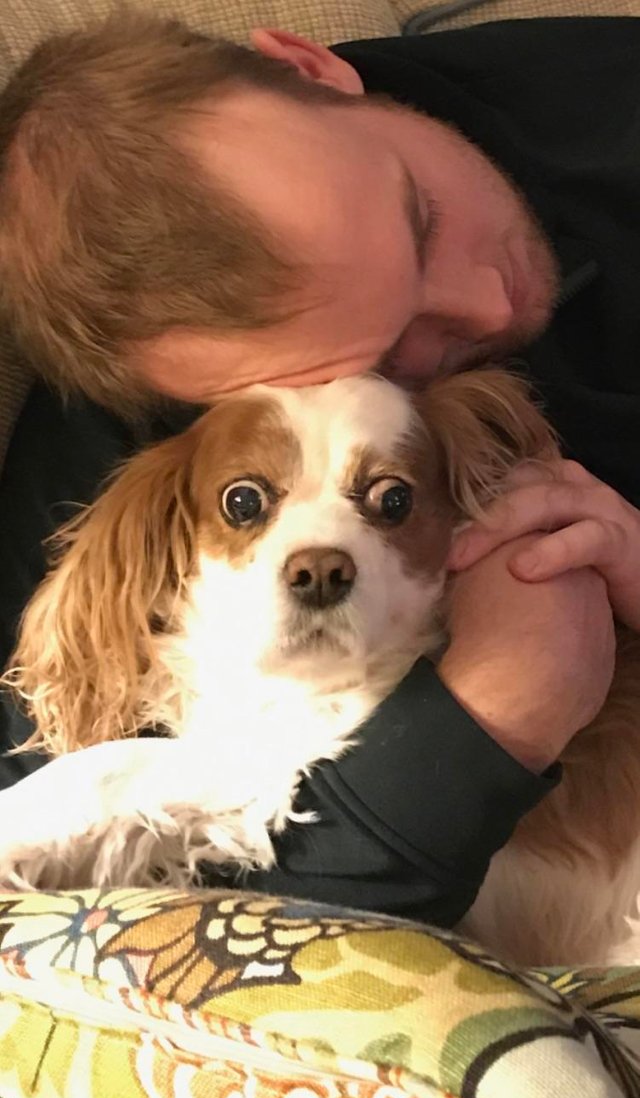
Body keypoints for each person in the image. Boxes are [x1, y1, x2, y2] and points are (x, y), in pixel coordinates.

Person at [0, 13, 638, 924]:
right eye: (385, 361)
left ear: (312, 67)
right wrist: (493, 716)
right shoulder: (132, 438)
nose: (492, 306)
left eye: (423, 218)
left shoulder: (615, 100)